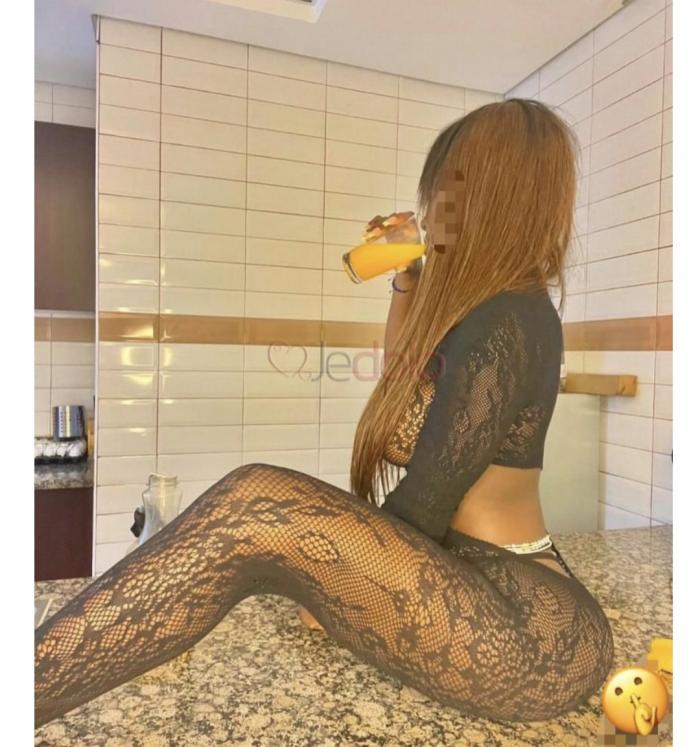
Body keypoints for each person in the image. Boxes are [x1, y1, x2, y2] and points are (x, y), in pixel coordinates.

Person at [35, 98, 614, 728]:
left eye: (442, 193)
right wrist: (409, 275)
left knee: (254, 503)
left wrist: (344, 581)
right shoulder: (483, 314)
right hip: (468, 587)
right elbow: (403, 392)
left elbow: (427, 500)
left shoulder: (512, 319)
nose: (428, 210)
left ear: (488, 198)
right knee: (258, 508)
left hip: (525, 631)